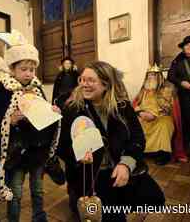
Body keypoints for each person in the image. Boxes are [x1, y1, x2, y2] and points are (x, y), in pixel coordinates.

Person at [57, 61, 165, 222]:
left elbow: (137, 138)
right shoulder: (72, 108)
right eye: (82, 79)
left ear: (106, 84)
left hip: (119, 168)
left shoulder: (122, 106)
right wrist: (77, 157)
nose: (84, 85)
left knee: (153, 198)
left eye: (91, 80)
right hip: (90, 176)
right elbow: (62, 146)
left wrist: (126, 164)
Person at [0, 43, 61, 222]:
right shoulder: (5, 89)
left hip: (37, 148)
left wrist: (52, 112)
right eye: (23, 69)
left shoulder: (36, 87)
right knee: (16, 191)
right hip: (16, 151)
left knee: (38, 189)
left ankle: (39, 217)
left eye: (32, 69)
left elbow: (43, 112)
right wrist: (10, 120)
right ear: (12, 69)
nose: (28, 73)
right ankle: (13, 219)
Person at [133, 64, 186, 165]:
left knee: (164, 126)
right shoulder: (143, 90)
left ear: (159, 76)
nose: (150, 77)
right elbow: (136, 104)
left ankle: (162, 154)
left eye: (153, 75)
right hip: (143, 116)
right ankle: (144, 152)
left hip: (161, 117)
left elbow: (168, 107)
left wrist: (153, 114)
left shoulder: (167, 89)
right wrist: (140, 112)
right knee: (135, 124)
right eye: (149, 75)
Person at [168, 36, 190, 157]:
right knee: (188, 119)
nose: (189, 46)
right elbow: (171, 76)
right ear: (183, 48)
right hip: (185, 95)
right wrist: (182, 83)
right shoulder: (177, 60)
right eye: (186, 45)